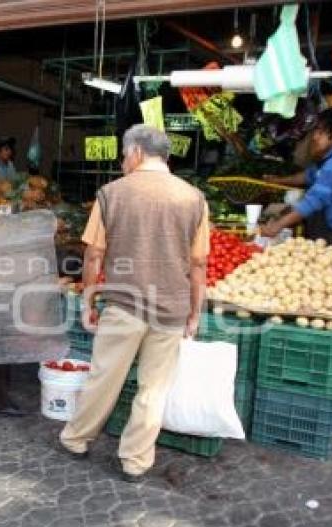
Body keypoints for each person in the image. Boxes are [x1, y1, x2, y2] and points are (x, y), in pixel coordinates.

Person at [58, 125, 209, 483]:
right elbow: (199, 264)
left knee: (103, 378)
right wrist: (193, 312)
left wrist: (89, 300)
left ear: (137, 153)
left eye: (125, 155)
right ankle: (135, 461)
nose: (123, 162)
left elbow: (94, 255)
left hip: (123, 306)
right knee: (153, 390)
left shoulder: (112, 194)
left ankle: (77, 439)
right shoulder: (194, 198)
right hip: (170, 310)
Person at [260, 106, 332, 244]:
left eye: (321, 132)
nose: (314, 137)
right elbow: (309, 175)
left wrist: (278, 225)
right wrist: (277, 180)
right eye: (316, 131)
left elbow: (314, 200)